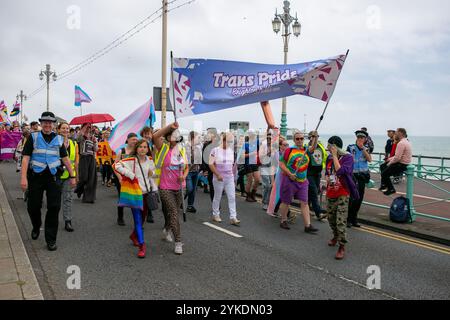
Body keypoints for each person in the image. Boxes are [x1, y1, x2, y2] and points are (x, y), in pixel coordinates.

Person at [20, 112, 76, 251]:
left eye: (50, 122)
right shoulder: (33, 137)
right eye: (45, 122)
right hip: (36, 177)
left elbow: (65, 159)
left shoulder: (58, 139)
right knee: (33, 206)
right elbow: (26, 158)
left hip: (53, 177)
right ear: (41, 123)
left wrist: (72, 176)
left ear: (54, 124)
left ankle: (51, 239)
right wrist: (23, 177)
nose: (47, 124)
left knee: (54, 207)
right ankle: (36, 225)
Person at [114, 139, 157, 258]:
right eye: (140, 147)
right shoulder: (131, 160)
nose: (143, 149)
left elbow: (155, 175)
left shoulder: (150, 160)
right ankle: (142, 246)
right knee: (138, 221)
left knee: (143, 219)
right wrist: (130, 175)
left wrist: (151, 173)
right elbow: (116, 165)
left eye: (145, 147)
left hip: (147, 194)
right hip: (135, 194)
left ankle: (133, 236)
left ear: (148, 149)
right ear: (136, 149)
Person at [152, 122, 188, 255]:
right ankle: (178, 242)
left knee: (173, 213)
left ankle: (167, 229)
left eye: (177, 134)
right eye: (173, 134)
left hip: (179, 187)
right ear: (168, 137)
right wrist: (170, 127)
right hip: (165, 187)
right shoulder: (163, 148)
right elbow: (155, 136)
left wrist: (183, 176)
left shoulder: (182, 149)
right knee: (173, 213)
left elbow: (187, 167)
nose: (176, 135)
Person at [325, 136, 359, 260]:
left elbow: (340, 171)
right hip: (330, 192)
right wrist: (327, 178)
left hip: (343, 192)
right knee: (331, 219)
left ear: (334, 146)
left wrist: (334, 156)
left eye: (329, 146)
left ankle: (342, 245)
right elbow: (328, 171)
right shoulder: (328, 158)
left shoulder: (348, 158)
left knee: (340, 221)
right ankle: (335, 236)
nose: (327, 148)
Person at [277, 131, 318, 233]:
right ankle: (283, 220)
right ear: (294, 140)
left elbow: (313, 148)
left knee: (304, 202)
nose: (299, 140)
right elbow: (281, 164)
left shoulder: (306, 150)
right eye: (297, 139)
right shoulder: (289, 150)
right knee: (286, 201)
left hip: (303, 181)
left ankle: (307, 225)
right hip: (290, 180)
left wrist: (316, 137)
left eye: (301, 138)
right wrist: (290, 174)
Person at [209, 132, 240, 226]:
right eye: (229, 141)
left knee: (232, 197)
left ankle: (233, 217)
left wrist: (234, 177)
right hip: (219, 178)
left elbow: (232, 165)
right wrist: (217, 174)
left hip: (229, 178)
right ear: (223, 140)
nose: (230, 143)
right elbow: (210, 164)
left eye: (231, 142)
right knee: (217, 197)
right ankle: (215, 214)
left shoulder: (231, 151)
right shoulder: (215, 150)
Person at [347, 130, 372, 228]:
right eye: (359, 137)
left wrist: (363, 149)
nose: (360, 139)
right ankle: (348, 219)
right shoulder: (350, 147)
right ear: (356, 138)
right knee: (352, 198)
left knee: (359, 198)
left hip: (362, 176)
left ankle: (354, 219)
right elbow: (346, 160)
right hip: (352, 176)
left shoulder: (366, 148)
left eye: (362, 138)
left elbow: (369, 159)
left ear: (365, 139)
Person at [58, 122, 79, 232]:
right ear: (59, 130)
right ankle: (53, 220)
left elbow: (76, 161)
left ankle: (68, 221)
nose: (65, 130)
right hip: (56, 175)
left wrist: (75, 176)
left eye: (67, 128)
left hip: (69, 176)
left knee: (68, 199)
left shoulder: (74, 143)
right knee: (55, 200)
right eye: (63, 128)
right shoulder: (54, 142)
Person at [115, 133, 139, 226]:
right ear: (127, 140)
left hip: (134, 179)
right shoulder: (122, 151)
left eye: (136, 140)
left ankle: (138, 221)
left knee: (136, 199)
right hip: (122, 178)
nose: (135, 141)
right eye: (133, 139)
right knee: (122, 198)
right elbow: (115, 166)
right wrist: (120, 178)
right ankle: (120, 217)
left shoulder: (138, 152)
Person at [380, 128, 412, 195]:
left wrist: (389, 163)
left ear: (400, 133)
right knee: (382, 166)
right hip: (404, 163)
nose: (395, 134)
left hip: (401, 164)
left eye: (396, 132)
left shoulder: (401, 143)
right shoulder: (406, 141)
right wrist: (390, 159)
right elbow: (398, 156)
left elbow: (397, 158)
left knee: (384, 174)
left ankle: (391, 189)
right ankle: (383, 185)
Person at [306, 130, 328, 221]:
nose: (316, 138)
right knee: (314, 192)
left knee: (313, 192)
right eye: (314, 136)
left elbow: (324, 157)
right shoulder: (308, 147)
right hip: (309, 173)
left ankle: (306, 207)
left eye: (317, 136)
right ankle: (318, 213)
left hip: (317, 173)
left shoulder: (321, 147)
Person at [74, 123, 98, 203]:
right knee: (83, 177)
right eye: (87, 127)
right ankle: (79, 189)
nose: (88, 128)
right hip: (83, 158)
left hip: (91, 158)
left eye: (90, 127)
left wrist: (94, 143)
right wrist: (83, 132)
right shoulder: (80, 135)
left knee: (91, 178)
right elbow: (77, 140)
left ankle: (89, 198)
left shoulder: (93, 137)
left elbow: (96, 149)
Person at [185, 131, 202, 213]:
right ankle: (180, 199)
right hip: (188, 171)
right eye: (197, 137)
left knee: (193, 189)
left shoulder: (198, 147)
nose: (199, 139)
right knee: (189, 188)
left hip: (196, 170)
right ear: (192, 138)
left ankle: (190, 205)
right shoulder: (186, 146)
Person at [243, 130, 261, 202]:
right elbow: (242, 156)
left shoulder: (256, 142)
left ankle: (253, 194)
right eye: (252, 134)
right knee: (250, 180)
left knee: (257, 180)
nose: (253, 136)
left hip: (255, 163)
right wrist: (251, 154)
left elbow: (264, 139)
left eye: (254, 134)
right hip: (247, 164)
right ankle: (248, 196)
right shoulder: (245, 145)